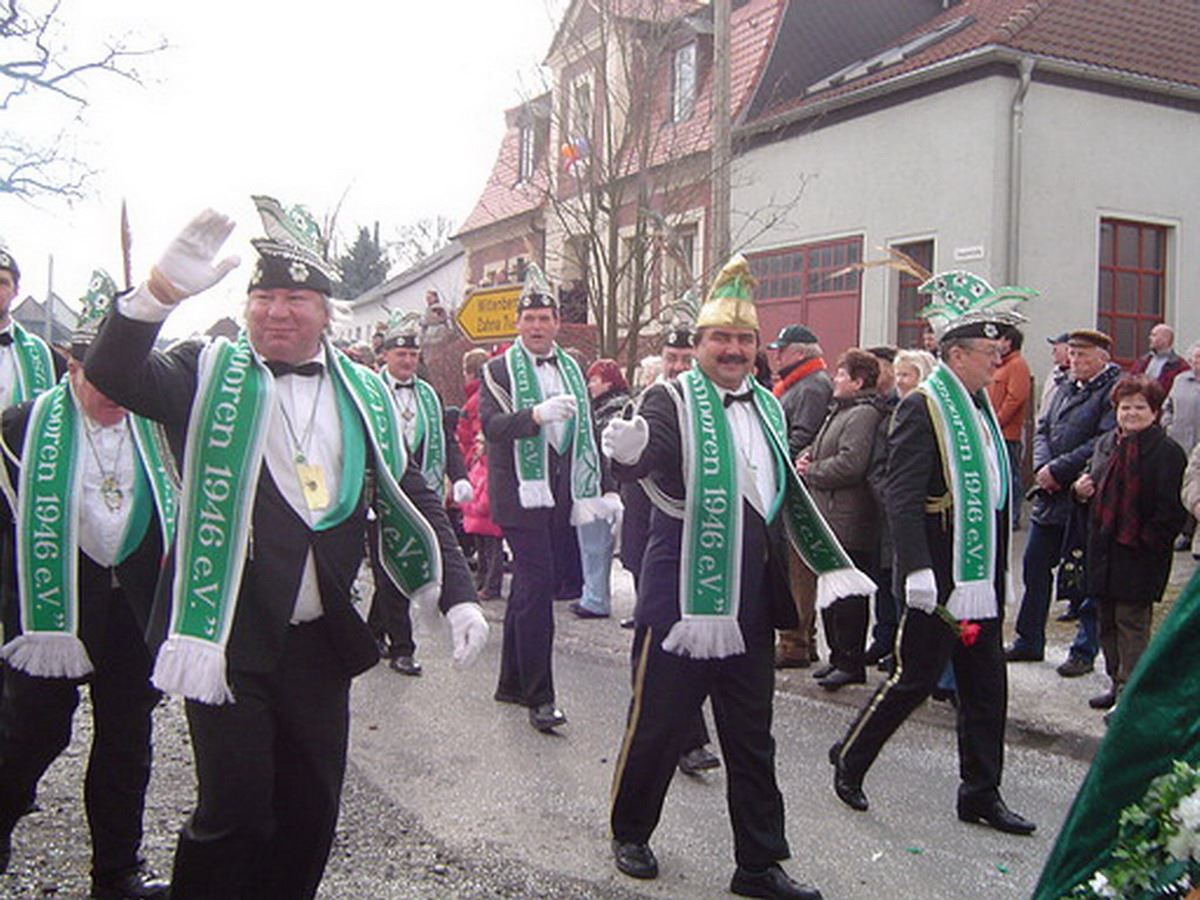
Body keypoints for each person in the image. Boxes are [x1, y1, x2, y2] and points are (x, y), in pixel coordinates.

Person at [84, 202, 488, 899]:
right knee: (234, 815)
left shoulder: (365, 391)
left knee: (311, 814)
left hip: (320, 642)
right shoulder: (205, 372)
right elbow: (114, 374)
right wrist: (157, 293)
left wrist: (457, 593)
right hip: (227, 632)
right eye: (263, 296)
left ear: (326, 312)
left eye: (295, 299)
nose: (276, 311)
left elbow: (411, 490)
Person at [603, 255, 873, 899]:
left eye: (744, 339)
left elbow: (774, 499)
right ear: (699, 345)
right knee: (659, 722)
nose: (733, 349)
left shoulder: (770, 409)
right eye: (721, 338)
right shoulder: (669, 399)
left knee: (752, 737)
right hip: (682, 595)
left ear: (757, 348)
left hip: (750, 599)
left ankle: (758, 862)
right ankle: (630, 830)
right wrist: (629, 450)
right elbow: (647, 454)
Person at [830, 270, 1037, 837]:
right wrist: (916, 568)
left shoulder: (979, 408)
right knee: (914, 679)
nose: (997, 361)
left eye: (999, 352)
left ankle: (980, 793)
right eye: (989, 353)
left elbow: (993, 493)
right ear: (956, 354)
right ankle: (850, 759)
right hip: (939, 573)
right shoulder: (924, 407)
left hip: (978, 575)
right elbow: (900, 495)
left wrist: (999, 568)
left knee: (986, 686)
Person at [0, 272, 171, 899]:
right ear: (72, 366)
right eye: (102, 377)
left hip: (133, 611)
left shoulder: (159, 425)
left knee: (127, 739)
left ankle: (117, 871)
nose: (116, 392)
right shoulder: (19, 428)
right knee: (32, 732)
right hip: (50, 610)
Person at [480, 264, 606, 733]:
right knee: (538, 586)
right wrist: (533, 415)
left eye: (544, 319)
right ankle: (541, 695)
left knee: (528, 589)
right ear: (518, 323)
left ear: (557, 323)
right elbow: (492, 427)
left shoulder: (572, 367)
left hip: (562, 492)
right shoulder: (497, 369)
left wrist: (603, 485)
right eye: (529, 319)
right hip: (519, 492)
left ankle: (511, 682)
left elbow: (586, 431)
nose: (536, 326)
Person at [1070, 375, 1187, 715]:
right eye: (1125, 407)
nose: (1131, 414)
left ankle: (1131, 694)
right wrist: (1079, 491)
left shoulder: (1166, 453)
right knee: (1106, 620)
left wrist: (1147, 540)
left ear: (1155, 412)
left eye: (1139, 407)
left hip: (1139, 553)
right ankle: (1116, 682)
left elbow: (1171, 510)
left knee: (1131, 623)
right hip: (1103, 548)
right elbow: (1091, 483)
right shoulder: (1107, 443)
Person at [1007, 329, 1120, 668]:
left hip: (1085, 496)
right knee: (1034, 568)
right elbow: (1042, 429)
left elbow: (1103, 441)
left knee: (1084, 576)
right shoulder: (1064, 386)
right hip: (1050, 496)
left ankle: (1083, 651)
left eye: (1082, 355)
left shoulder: (1112, 391)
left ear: (1102, 358)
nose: (1075, 360)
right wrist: (1042, 467)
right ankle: (1028, 640)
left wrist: (1059, 470)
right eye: (1072, 354)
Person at [368, 315, 472, 676]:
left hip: (421, 490)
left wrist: (459, 476)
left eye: (413, 355)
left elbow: (448, 440)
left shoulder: (429, 394)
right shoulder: (369, 392)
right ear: (385, 356)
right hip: (379, 494)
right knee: (388, 565)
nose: (408, 361)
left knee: (402, 564)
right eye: (401, 354)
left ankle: (379, 636)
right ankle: (401, 646)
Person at [796, 348, 883, 691]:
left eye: (843, 374)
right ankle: (836, 656)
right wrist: (807, 457)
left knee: (848, 598)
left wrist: (812, 471)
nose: (836, 379)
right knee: (831, 592)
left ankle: (850, 661)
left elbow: (851, 463)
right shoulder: (840, 410)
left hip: (849, 518)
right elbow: (820, 446)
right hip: (829, 515)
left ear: (858, 381)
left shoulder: (863, 415)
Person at [0, 248, 59, 692]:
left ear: (16, 290)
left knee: (15, 594)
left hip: (19, 492)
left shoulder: (39, 352)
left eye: (3, 282)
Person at [767, 324, 833, 671]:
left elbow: (802, 435)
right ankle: (803, 638)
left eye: (783, 349)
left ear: (801, 352)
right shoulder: (799, 384)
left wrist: (773, 463)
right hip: (791, 483)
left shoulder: (811, 386)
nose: (776, 356)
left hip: (797, 489)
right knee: (796, 567)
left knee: (798, 568)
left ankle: (795, 642)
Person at [571, 359, 627, 619]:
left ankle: (595, 599)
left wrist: (608, 485)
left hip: (604, 485)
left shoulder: (612, 412)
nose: (590, 385)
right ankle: (592, 595)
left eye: (594, 379)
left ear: (608, 382)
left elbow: (608, 451)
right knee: (593, 544)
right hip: (598, 483)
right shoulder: (603, 408)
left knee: (596, 544)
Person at [458, 348, 505, 601]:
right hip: (480, 469)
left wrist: (469, 460)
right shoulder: (482, 397)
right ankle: (485, 579)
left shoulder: (476, 400)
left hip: (481, 469)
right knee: (483, 532)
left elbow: (472, 435)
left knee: (488, 534)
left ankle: (489, 581)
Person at [986, 326, 1032, 529]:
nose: (997, 344)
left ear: (1009, 342)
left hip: (1007, 433)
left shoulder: (1017, 365)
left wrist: (997, 421)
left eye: (1001, 339)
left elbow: (1016, 398)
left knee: (1010, 475)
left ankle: (1013, 516)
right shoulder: (1000, 365)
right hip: (995, 431)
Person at [1163, 341, 1200, 553]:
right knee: (1179, 484)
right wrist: (1168, 424)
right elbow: (1167, 406)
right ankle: (1178, 528)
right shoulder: (1180, 380)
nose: (1198, 362)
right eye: (1196, 358)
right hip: (1180, 441)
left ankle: (1189, 532)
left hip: (1199, 445)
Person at [1131, 323, 1187, 393]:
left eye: (1154, 335)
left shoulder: (1180, 366)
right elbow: (1130, 381)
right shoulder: (1142, 361)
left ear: (1166, 339)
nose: (1150, 338)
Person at [1037, 332, 1071, 419]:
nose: (1053, 353)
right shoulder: (1053, 373)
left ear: (1067, 350)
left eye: (1056, 350)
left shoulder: (1075, 376)